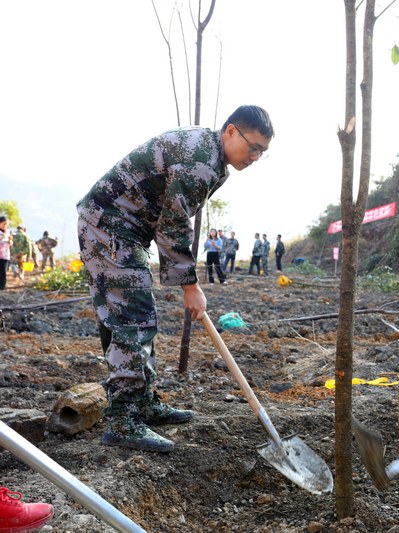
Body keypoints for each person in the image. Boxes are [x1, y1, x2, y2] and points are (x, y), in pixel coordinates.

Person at [76, 105, 274, 452]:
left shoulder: (214, 161)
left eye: (263, 152)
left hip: (123, 229)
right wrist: (190, 286)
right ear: (230, 131)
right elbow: (173, 224)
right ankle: (123, 419)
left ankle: (143, 402)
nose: (256, 156)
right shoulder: (199, 161)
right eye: (253, 146)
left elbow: (167, 218)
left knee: (130, 316)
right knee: (133, 319)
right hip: (109, 225)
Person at [0, 217, 10, 290]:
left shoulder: (8, 232)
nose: (5, 226)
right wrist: (2, 238)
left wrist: (11, 242)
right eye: (4, 224)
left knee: (3, 271)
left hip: (5, 254)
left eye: (6, 224)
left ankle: (2, 286)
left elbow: (10, 241)